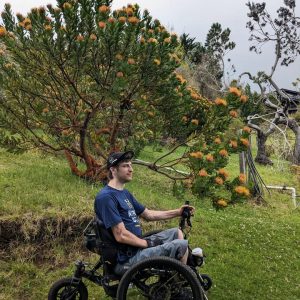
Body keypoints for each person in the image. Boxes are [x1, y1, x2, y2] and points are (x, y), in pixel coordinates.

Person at [94, 150, 195, 274]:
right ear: (113, 170)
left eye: (131, 165)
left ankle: (173, 279)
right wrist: (146, 243)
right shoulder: (106, 197)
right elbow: (120, 235)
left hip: (136, 247)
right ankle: (178, 286)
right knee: (181, 245)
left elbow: (148, 214)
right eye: (125, 166)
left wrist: (178, 212)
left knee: (176, 233)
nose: (131, 169)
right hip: (126, 258)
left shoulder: (124, 194)